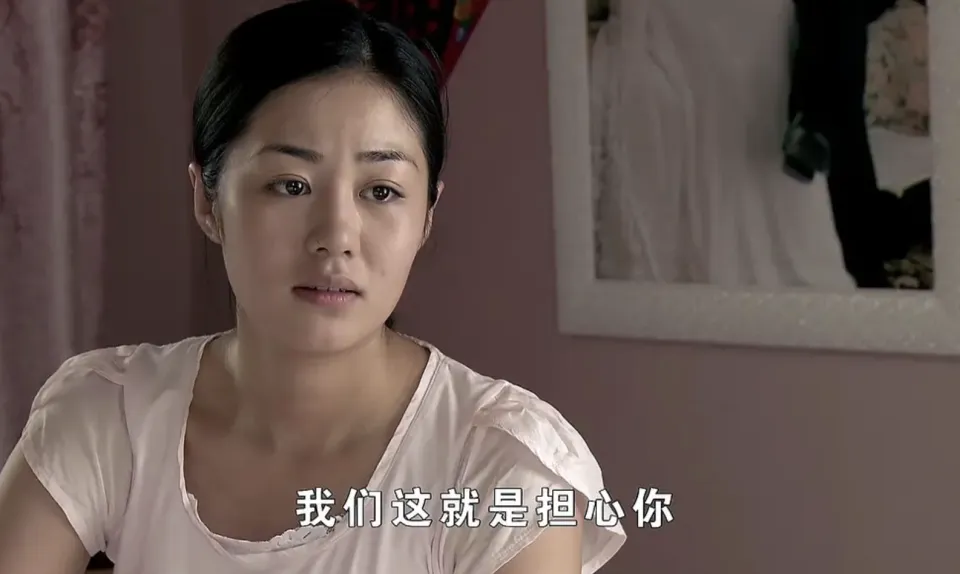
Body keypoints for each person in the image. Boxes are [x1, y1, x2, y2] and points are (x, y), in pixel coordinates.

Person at [0, 1, 627, 572]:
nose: (336, 236)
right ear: (207, 201)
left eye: (381, 191)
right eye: (290, 185)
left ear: (427, 217)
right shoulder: (109, 414)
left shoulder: (504, 468)